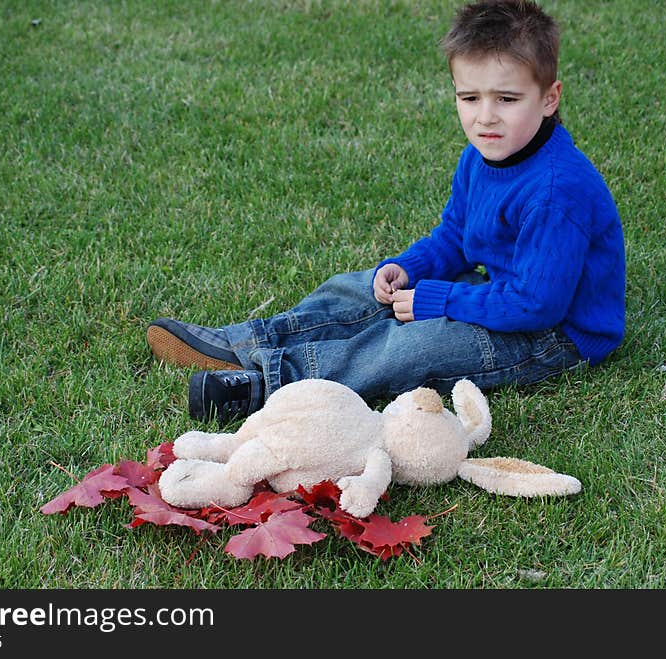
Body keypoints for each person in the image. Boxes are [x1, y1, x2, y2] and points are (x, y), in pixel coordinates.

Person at [146, 0, 625, 423]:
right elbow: (456, 236)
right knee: (357, 288)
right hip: (502, 292)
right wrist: (409, 269)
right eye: (469, 97)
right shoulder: (483, 156)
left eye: (507, 98)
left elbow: (536, 305)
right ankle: (245, 342)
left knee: (414, 345)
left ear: (549, 98)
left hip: (553, 336)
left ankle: (272, 382)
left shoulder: (556, 191)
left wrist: (439, 301)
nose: (485, 116)